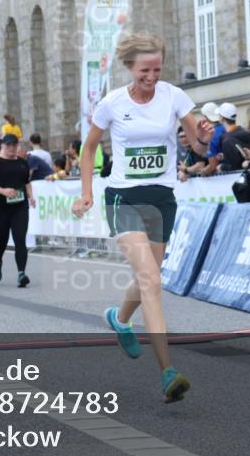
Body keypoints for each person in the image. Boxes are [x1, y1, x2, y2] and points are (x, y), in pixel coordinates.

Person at [71, 33, 212, 403]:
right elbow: (88, 150)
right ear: (130, 68)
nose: (152, 76)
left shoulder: (175, 97)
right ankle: (167, 370)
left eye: (157, 69)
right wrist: (86, 193)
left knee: (148, 277)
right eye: (144, 70)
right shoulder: (112, 103)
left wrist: (204, 139)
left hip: (162, 199)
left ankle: (119, 318)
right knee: (150, 280)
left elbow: (195, 144)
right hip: (124, 198)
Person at [0, 134, 36, 288]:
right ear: (2, 146)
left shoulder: (22, 163)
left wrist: (31, 197)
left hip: (20, 207)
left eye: (14, 145)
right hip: (0, 208)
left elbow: (26, 182)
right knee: (1, 240)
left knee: (20, 239)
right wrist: (3, 191)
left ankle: (21, 273)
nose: (11, 148)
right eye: (8, 145)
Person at [217, 102, 250, 173]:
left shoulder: (226, 140)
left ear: (222, 118)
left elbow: (233, 166)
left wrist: (221, 167)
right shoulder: (247, 133)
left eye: (219, 115)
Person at [200, 102, 225, 176]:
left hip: (221, 177)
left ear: (206, 117)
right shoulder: (226, 128)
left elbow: (213, 165)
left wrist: (202, 173)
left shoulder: (211, 134)